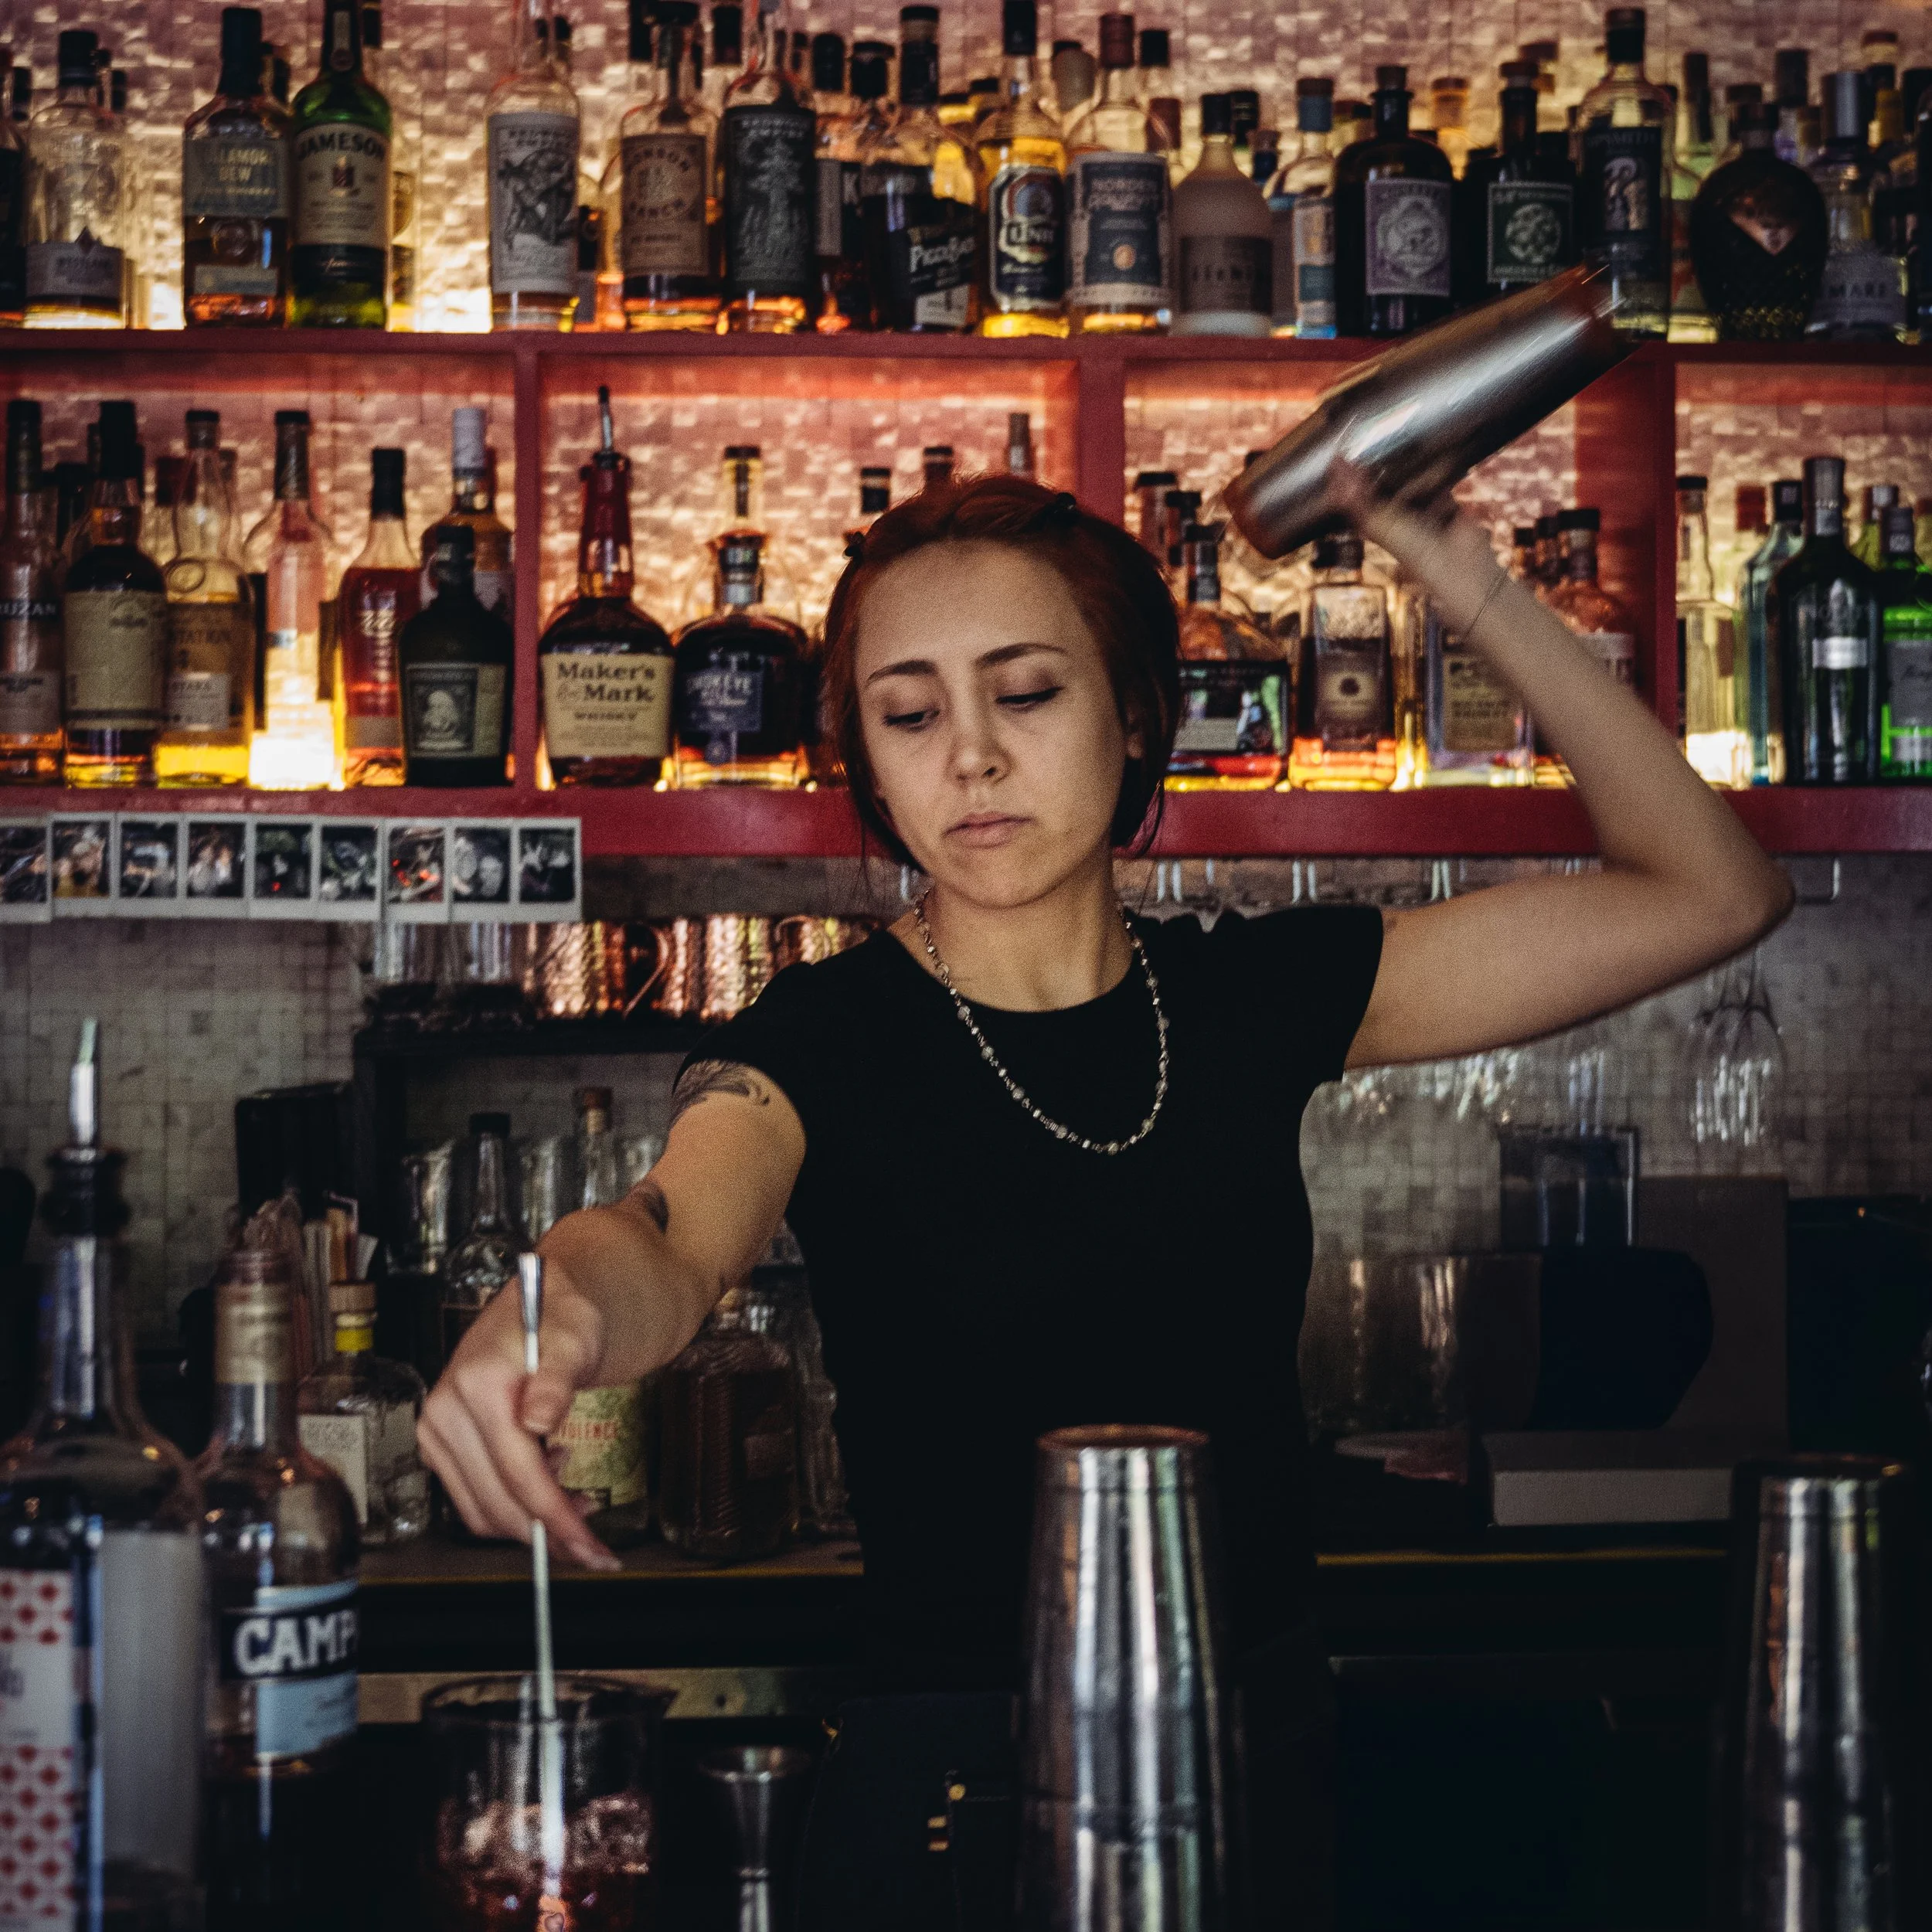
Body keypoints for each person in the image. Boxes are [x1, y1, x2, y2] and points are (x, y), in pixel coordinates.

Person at [421, 466, 1790, 1919]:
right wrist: (551, 1313)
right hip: (953, 1803)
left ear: (1135, 714)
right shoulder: (818, 1045)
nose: (970, 759)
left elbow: (1710, 892)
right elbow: (667, 1237)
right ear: (869, 761)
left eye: (1025, 694)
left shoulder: (1258, 996)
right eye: (909, 713)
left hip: (1252, 1764)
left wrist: (1459, 569)